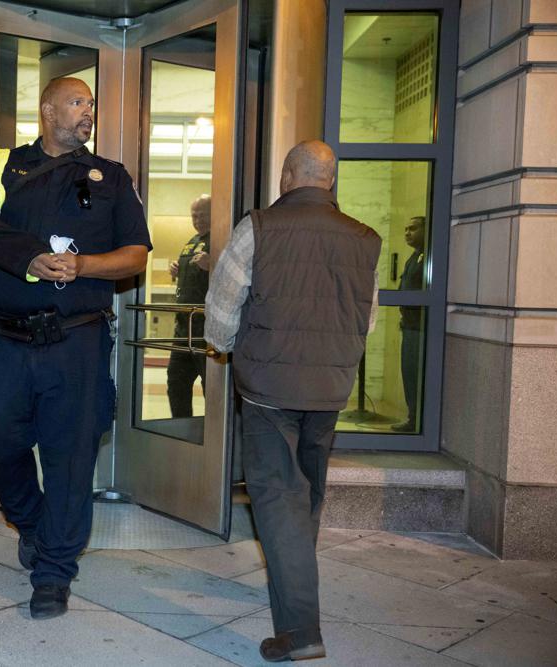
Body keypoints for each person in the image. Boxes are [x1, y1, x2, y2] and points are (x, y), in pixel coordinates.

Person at [0, 77, 151, 620]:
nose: (88, 112)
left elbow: (135, 255)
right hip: (6, 339)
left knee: (70, 457)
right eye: (77, 102)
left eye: (92, 105)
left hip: (77, 341)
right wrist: (30, 256)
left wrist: (84, 265)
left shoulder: (110, 178)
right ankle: (32, 523)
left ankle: (55, 571)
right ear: (47, 110)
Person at [205, 140, 380, 662]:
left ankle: (301, 630)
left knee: (279, 498)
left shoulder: (257, 227)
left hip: (268, 392)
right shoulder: (365, 238)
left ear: (287, 176)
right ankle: (295, 592)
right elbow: (367, 318)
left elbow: (223, 304)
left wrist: (225, 347)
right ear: (331, 180)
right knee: (306, 496)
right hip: (328, 391)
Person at [167, 194, 212, 418]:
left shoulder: (221, 240)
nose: (197, 219)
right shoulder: (191, 243)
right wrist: (176, 270)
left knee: (211, 388)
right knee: (176, 382)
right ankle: (181, 428)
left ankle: (211, 434)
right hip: (183, 329)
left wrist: (212, 264)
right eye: (194, 215)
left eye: (202, 215)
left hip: (207, 330)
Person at [391, 216, 425, 433]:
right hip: (410, 326)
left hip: (420, 328)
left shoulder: (428, 258)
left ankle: (416, 420)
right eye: (405, 229)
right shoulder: (414, 257)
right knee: (409, 375)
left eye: (413, 229)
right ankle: (413, 417)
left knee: (415, 375)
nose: (407, 233)